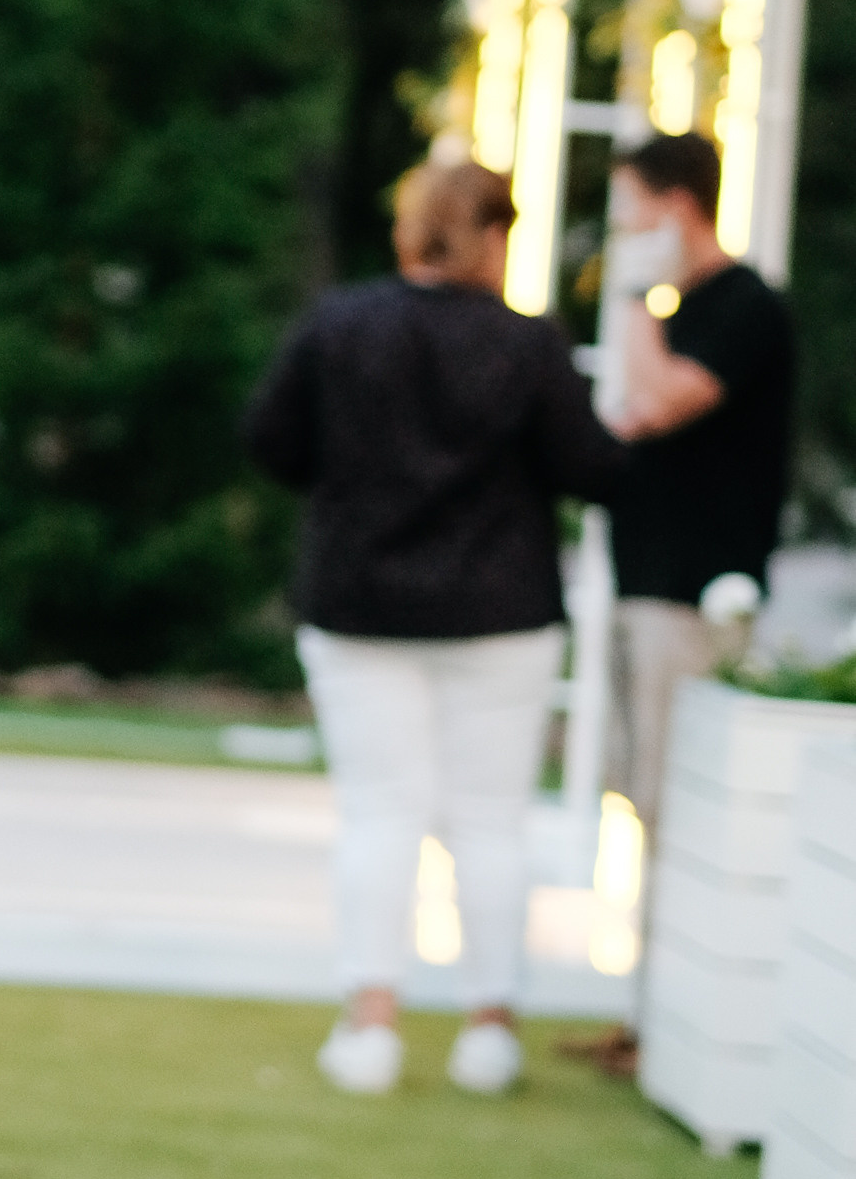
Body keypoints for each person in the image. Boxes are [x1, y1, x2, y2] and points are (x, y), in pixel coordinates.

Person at [243, 158, 624, 1098]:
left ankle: (369, 1024)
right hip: (498, 608)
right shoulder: (527, 345)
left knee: (380, 814)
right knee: (489, 822)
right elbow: (590, 468)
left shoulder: (339, 325)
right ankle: (488, 1028)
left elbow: (269, 440)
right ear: (495, 235)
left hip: (360, 600)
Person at [561, 128, 797, 1075]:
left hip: (691, 595)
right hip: (641, 582)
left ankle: (670, 1025)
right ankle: (643, 1014)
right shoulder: (681, 308)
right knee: (643, 800)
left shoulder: (742, 309)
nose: (622, 230)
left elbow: (656, 402)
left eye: (630, 209)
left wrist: (627, 298)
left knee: (678, 805)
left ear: (676, 205)